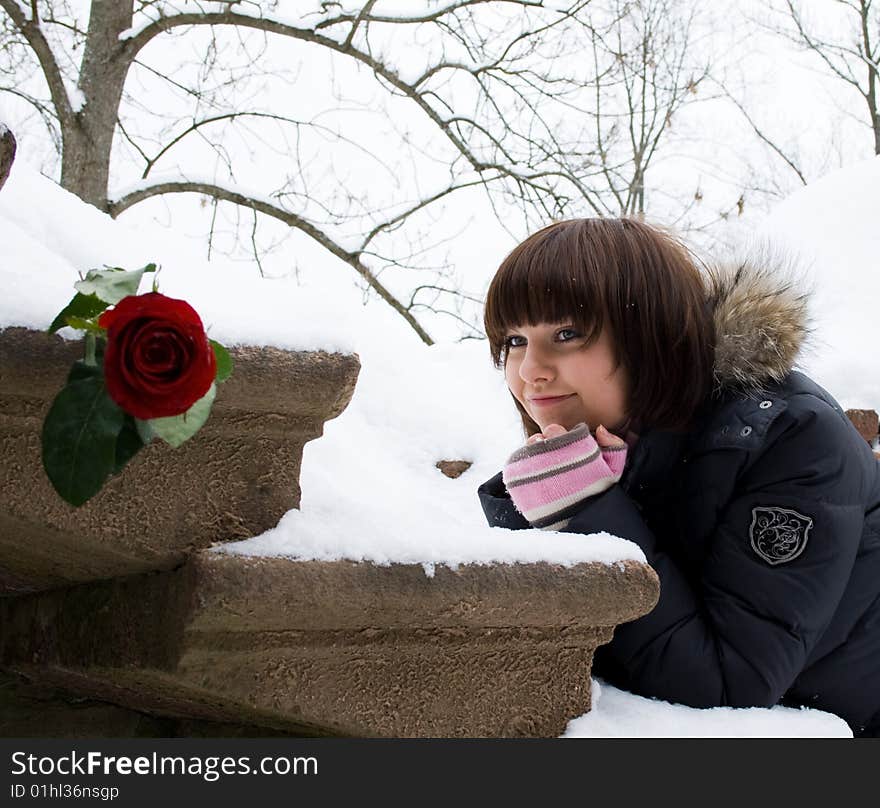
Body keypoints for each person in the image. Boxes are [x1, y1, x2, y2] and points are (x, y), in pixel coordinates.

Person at [477, 217, 880, 737]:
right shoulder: (609, 453)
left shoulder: (791, 441)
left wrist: (582, 511)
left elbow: (723, 691)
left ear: (649, 337)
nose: (530, 369)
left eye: (566, 333)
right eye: (512, 341)